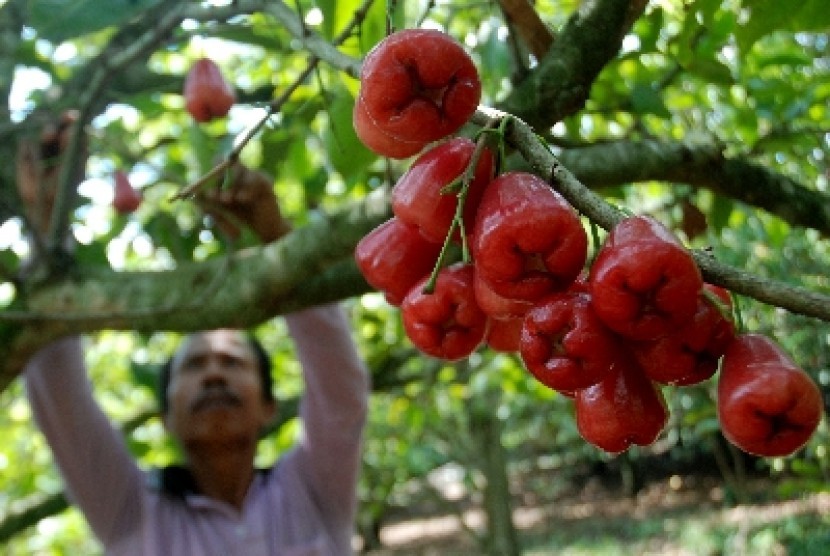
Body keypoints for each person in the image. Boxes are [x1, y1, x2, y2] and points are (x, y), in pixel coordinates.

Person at [21, 138, 370, 555]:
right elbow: (59, 397)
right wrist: (47, 228)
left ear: (269, 407)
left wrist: (279, 242)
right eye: (194, 366)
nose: (214, 373)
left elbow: (341, 394)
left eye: (232, 362)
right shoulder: (131, 511)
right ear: (165, 417)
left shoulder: (312, 489)